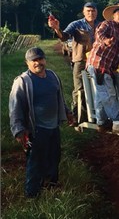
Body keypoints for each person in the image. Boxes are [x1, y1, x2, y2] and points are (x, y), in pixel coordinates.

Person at [9, 47, 74, 198]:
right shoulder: (23, 81)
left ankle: (51, 186)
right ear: (27, 63)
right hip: (36, 129)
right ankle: (32, 194)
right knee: (36, 161)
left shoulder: (52, 76)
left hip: (53, 126)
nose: (38, 63)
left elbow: (59, 99)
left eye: (40, 59)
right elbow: (15, 107)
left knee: (54, 157)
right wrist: (19, 130)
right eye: (34, 60)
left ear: (45, 59)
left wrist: (68, 113)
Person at [85, 4, 119, 133]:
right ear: (114, 15)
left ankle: (101, 122)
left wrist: (114, 68)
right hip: (98, 63)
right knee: (108, 94)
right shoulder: (107, 24)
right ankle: (118, 121)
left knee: (100, 94)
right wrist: (105, 41)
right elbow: (99, 33)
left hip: (108, 67)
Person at [48, 2, 100, 125]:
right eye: (88, 11)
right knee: (79, 89)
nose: (91, 13)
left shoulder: (101, 25)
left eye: (93, 11)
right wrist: (56, 28)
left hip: (97, 61)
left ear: (96, 12)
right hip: (80, 61)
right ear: (83, 12)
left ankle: (97, 115)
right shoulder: (76, 25)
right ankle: (77, 116)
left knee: (98, 87)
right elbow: (64, 37)